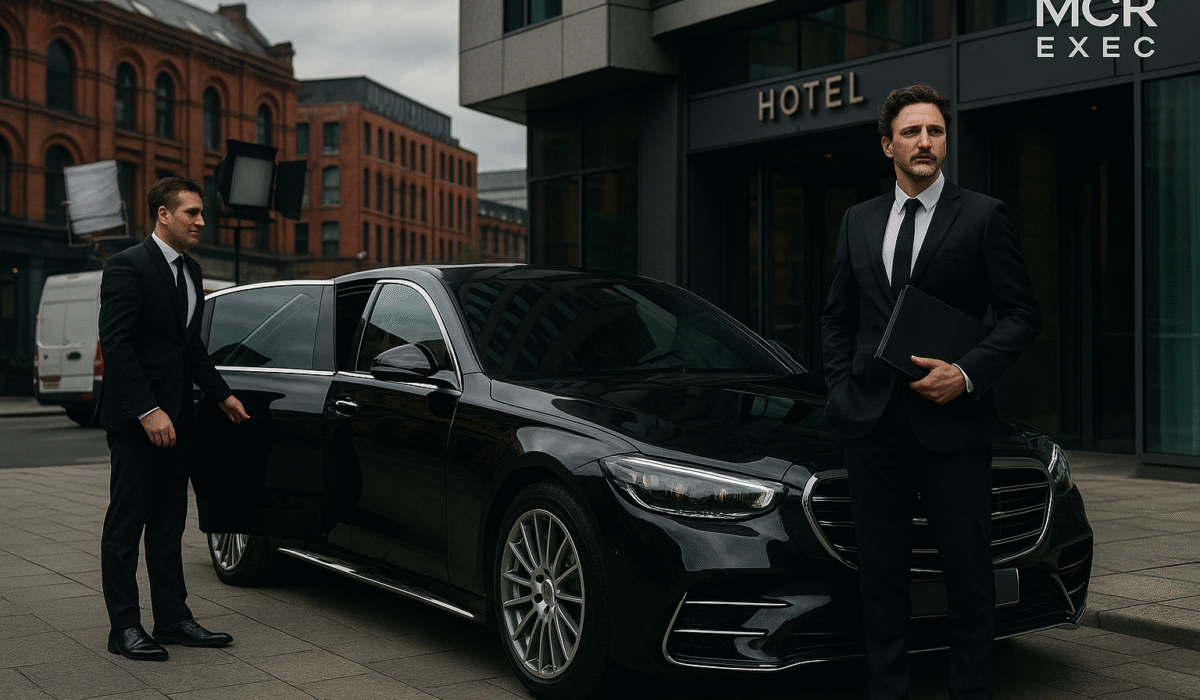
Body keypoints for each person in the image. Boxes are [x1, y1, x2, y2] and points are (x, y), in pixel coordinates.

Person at [820, 84, 1041, 700]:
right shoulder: (858, 220)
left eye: (936, 131)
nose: (925, 142)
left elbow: (1022, 314)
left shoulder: (983, 215)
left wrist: (967, 373)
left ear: (946, 141)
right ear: (888, 144)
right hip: (870, 424)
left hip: (952, 426)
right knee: (881, 577)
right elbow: (838, 318)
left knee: (968, 575)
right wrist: (840, 391)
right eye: (913, 132)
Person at [98, 176, 250, 661]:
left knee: (168, 524)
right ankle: (123, 626)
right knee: (125, 527)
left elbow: (189, 347)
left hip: (179, 421)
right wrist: (147, 410)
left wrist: (222, 394)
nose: (201, 221)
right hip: (138, 422)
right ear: (163, 214)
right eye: (191, 213)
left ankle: (172, 618)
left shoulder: (191, 270)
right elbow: (117, 346)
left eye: (201, 212)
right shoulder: (127, 266)